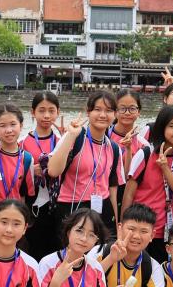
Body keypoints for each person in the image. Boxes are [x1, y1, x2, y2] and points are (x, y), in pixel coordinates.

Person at [123, 104, 173, 262]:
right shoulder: (146, 153)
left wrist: (165, 168)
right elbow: (128, 194)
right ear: (162, 128)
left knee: (159, 268)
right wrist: (123, 228)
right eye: (172, 126)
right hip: (139, 228)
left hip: (164, 229)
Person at [48, 90, 124, 233]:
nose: (103, 115)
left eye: (108, 110)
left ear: (115, 114)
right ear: (88, 112)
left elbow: (112, 189)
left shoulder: (113, 148)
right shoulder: (75, 137)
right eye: (97, 109)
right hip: (72, 207)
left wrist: (115, 226)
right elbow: (53, 171)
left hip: (102, 209)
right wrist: (71, 135)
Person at [22, 91, 62, 255]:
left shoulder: (62, 142)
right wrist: (31, 170)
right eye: (41, 110)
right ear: (33, 112)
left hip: (57, 202)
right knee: (33, 245)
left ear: (58, 112)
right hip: (32, 203)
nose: (46, 115)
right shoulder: (22, 143)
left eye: (51, 111)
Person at [0, 104, 36, 206]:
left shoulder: (26, 158)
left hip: (15, 210)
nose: (9, 130)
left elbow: (24, 194)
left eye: (13, 124)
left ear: (21, 126)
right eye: (2, 125)